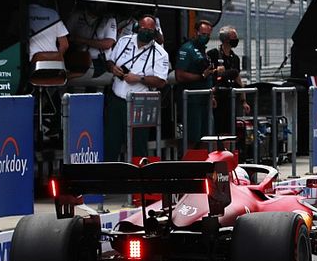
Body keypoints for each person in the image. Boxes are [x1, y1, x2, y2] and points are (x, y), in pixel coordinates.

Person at [105, 16, 169, 161]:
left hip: (140, 103)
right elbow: (109, 61)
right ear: (137, 28)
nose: (146, 32)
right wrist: (113, 68)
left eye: (150, 30)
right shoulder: (124, 41)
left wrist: (139, 78)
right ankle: (109, 172)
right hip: (116, 100)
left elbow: (161, 81)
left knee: (138, 146)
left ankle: (138, 173)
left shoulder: (161, 53)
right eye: (143, 29)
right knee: (110, 142)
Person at [175, 20, 216, 149]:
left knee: (207, 138)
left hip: (205, 99)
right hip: (192, 101)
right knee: (192, 138)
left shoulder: (203, 51)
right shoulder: (187, 49)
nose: (205, 37)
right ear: (196, 32)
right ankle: (186, 160)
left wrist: (211, 95)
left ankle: (204, 161)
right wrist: (201, 76)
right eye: (203, 34)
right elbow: (179, 75)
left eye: (208, 35)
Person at [207, 25, 250, 137]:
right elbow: (207, 74)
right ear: (225, 39)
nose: (236, 39)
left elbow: (238, 79)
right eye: (233, 37)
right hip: (217, 97)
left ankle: (228, 146)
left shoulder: (235, 58)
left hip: (230, 97)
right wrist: (216, 71)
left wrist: (243, 101)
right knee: (216, 129)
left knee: (229, 130)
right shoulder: (213, 54)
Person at [66, 3, 116, 77]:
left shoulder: (109, 19)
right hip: (78, 57)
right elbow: (66, 36)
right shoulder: (77, 15)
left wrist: (83, 40)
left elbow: (108, 44)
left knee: (71, 77)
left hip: (98, 62)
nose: (99, 6)